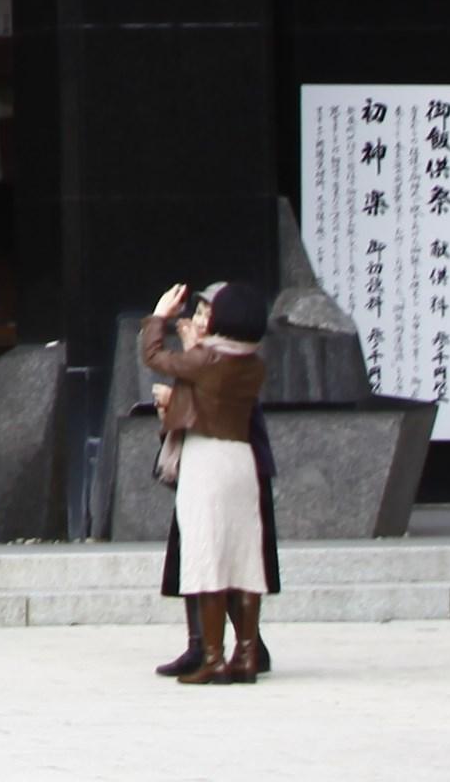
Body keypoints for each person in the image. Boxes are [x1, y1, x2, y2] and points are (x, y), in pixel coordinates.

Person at [145, 277, 278, 683]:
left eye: (208, 312)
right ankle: (246, 655)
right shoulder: (253, 362)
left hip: (209, 461)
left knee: (205, 558)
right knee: (244, 560)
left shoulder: (207, 359)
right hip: (241, 461)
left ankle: (213, 657)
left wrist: (159, 318)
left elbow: (153, 355)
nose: (201, 319)